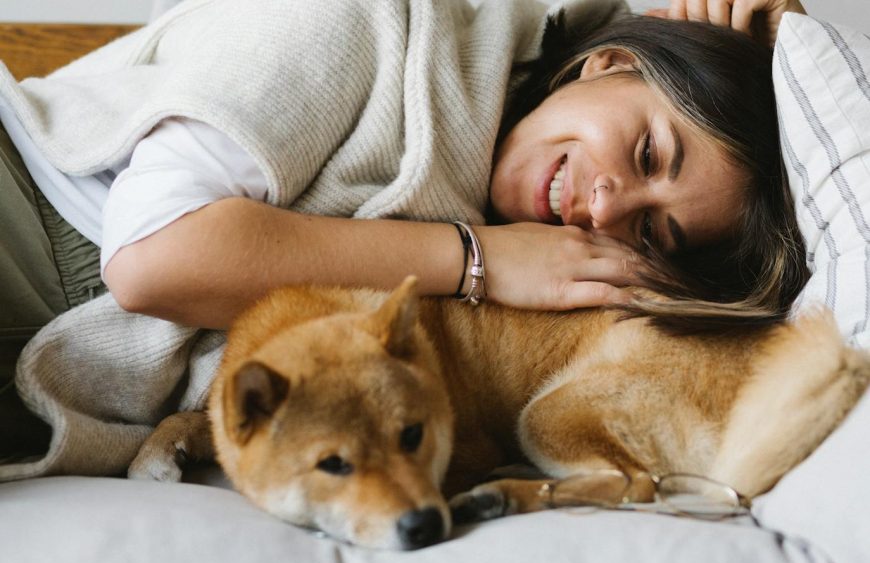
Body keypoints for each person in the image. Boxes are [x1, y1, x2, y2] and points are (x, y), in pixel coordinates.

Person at [0, 0, 807, 454]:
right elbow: (152, 259)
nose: (605, 208)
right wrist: (474, 258)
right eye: (643, 150)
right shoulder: (364, 19)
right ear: (611, 61)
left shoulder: (539, 260)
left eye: (651, 233)